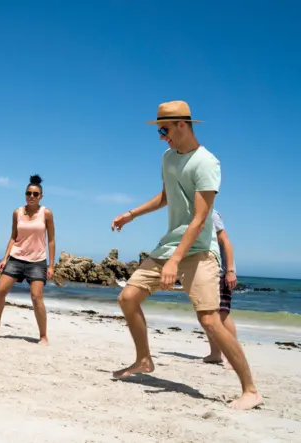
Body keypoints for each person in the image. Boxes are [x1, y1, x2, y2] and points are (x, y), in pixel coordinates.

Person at [110, 101, 261, 410]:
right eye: (159, 132)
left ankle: (250, 390)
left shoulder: (207, 163)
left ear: (182, 124)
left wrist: (176, 261)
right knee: (127, 298)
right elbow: (166, 196)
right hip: (169, 246)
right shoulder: (168, 158)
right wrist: (131, 214)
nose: (162, 137)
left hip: (199, 252)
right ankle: (143, 360)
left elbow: (200, 218)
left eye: (164, 130)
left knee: (210, 319)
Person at [0, 174, 55, 345]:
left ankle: (43, 335)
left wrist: (51, 265)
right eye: (28, 193)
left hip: (37, 261)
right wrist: (5, 257)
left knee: (36, 297)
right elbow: (13, 237)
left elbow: (51, 239)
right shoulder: (17, 213)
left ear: (41, 196)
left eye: (35, 194)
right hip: (16, 258)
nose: (31, 196)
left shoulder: (46, 213)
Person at [203, 209, 238, 365]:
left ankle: (234, 355)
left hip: (220, 272)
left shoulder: (211, 213)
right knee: (207, 313)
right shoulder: (196, 213)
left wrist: (230, 271)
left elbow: (226, 242)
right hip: (207, 272)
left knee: (222, 314)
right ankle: (216, 353)